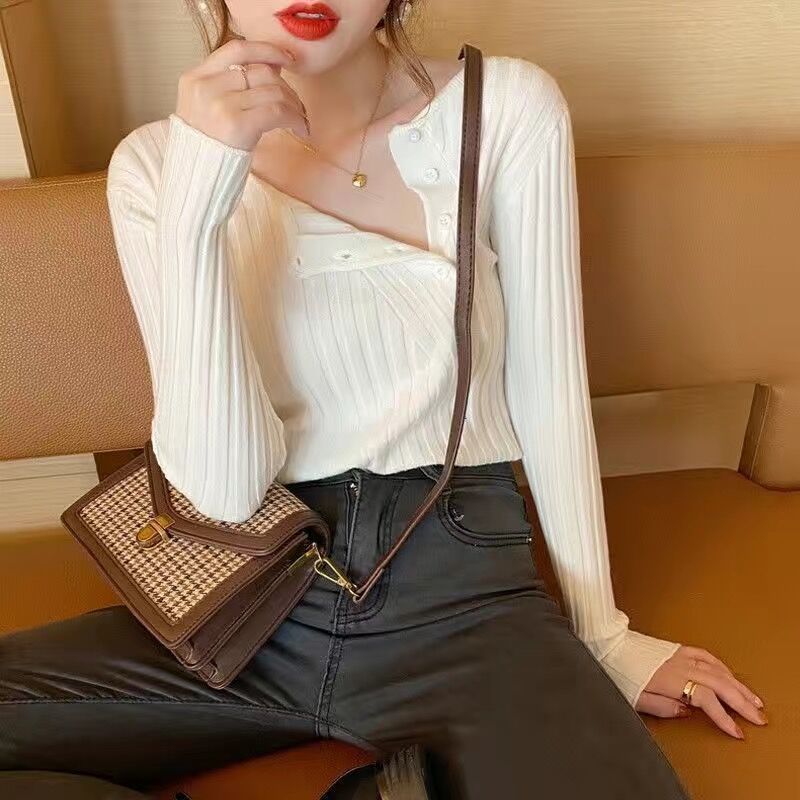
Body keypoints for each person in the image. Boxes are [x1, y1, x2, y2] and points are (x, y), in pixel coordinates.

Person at [0, 1, 767, 798]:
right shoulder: (156, 165)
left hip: (458, 589)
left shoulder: (503, 108)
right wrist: (197, 209)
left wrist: (601, 632)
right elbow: (225, 490)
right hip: (244, 597)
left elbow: (549, 388)